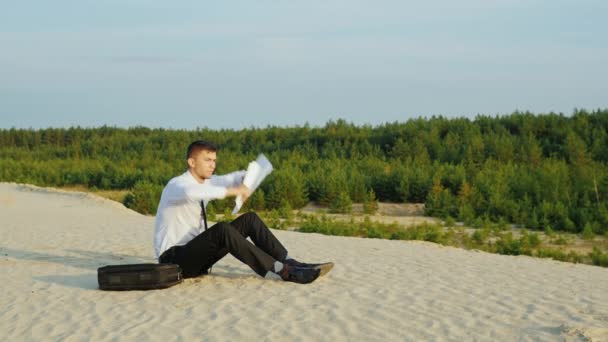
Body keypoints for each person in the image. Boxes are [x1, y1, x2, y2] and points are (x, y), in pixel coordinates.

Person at [154, 140, 324, 284]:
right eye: (207, 160)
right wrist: (235, 191)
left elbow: (229, 179)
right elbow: (192, 193)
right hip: (174, 261)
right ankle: (283, 271)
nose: (212, 165)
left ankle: (290, 262)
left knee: (249, 219)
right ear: (192, 162)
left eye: (214, 160)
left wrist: (247, 177)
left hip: (198, 257)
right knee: (222, 230)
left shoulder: (206, 182)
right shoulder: (176, 185)